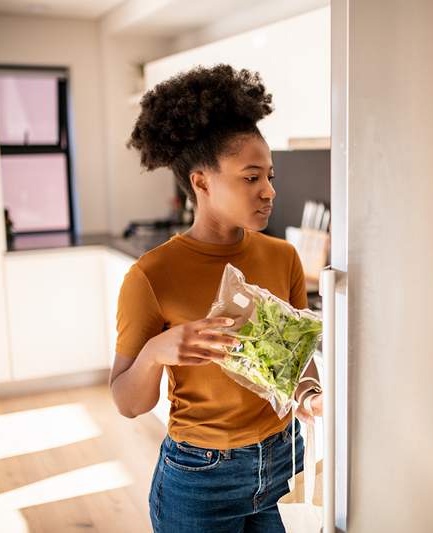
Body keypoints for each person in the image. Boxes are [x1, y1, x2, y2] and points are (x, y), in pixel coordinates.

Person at [109, 64, 323, 533]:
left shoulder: (283, 257)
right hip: (201, 480)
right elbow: (127, 402)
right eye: (250, 178)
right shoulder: (151, 276)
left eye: (269, 175)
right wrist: (154, 354)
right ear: (202, 181)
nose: (269, 191)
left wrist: (308, 393)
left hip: (283, 461)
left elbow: (297, 358)